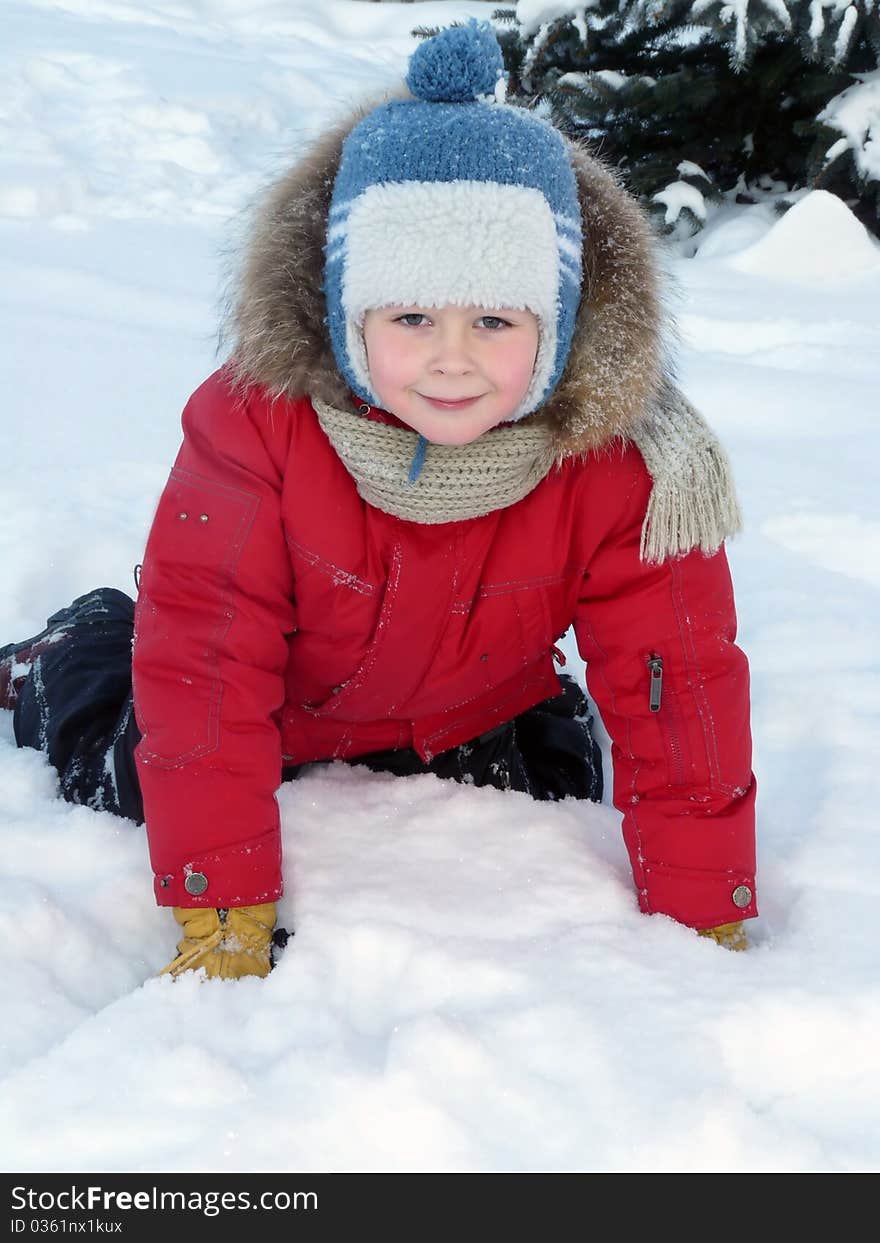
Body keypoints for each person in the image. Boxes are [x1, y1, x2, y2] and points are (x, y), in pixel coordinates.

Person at [0, 20, 757, 978]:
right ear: (348, 315)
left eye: (493, 319)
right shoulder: (261, 426)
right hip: (274, 705)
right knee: (128, 765)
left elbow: (678, 679)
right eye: (410, 317)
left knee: (557, 780)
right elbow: (209, 659)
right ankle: (69, 649)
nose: (452, 356)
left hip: (467, 704)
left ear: (558, 326)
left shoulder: (620, 458)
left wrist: (705, 904)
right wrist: (223, 902)